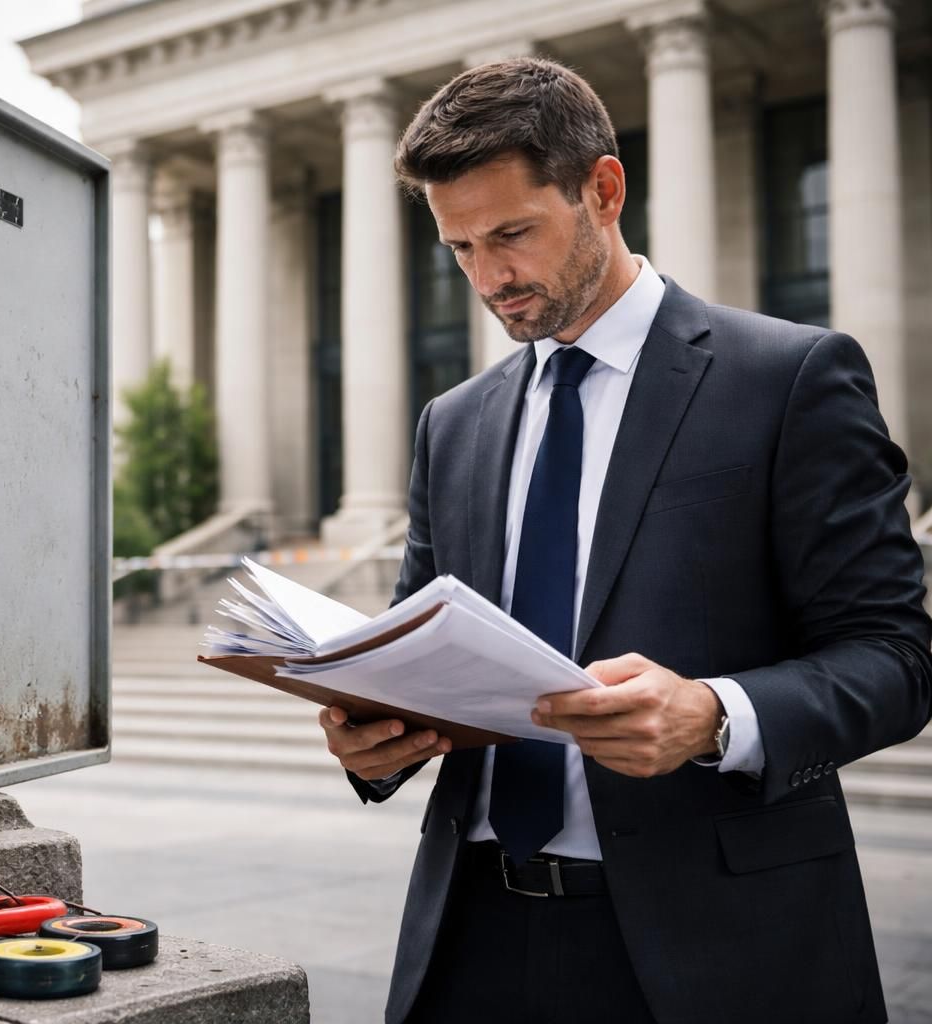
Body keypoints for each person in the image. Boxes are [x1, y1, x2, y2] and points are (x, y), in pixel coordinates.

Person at [319, 56, 932, 1024]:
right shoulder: (453, 422)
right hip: (471, 933)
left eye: (512, 234)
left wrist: (717, 713)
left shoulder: (788, 377)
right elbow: (423, 648)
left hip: (719, 948)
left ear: (603, 190)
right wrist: (376, 740)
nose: (491, 278)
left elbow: (897, 657)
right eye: (461, 248)